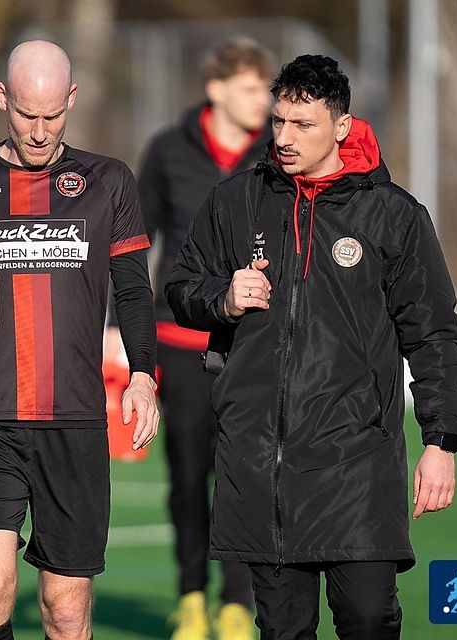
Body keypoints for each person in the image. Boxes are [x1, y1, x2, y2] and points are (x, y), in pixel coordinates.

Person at [166, 54, 457, 639]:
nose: (285, 137)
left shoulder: (394, 215)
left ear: (342, 126)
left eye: (303, 125)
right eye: (278, 121)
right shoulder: (235, 201)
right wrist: (223, 299)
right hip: (263, 465)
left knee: (367, 618)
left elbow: (432, 332)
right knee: (284, 631)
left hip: (358, 460)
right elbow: (179, 288)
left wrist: (440, 440)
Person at [0, 40, 159, 640]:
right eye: (26, 114)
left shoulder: (109, 180)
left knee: (65, 610)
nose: (40, 131)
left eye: (53, 115)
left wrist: (143, 376)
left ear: (72, 99)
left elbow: (133, 291)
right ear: (2, 98)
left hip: (74, 421)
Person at [109, 36, 275, 640]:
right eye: (251, 88)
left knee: (246, 477)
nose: (264, 101)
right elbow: (132, 246)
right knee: (186, 478)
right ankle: (191, 599)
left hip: (253, 344)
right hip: (178, 341)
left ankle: (237, 604)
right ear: (216, 89)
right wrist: (116, 328)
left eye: (266, 89)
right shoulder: (167, 150)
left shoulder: (278, 151)